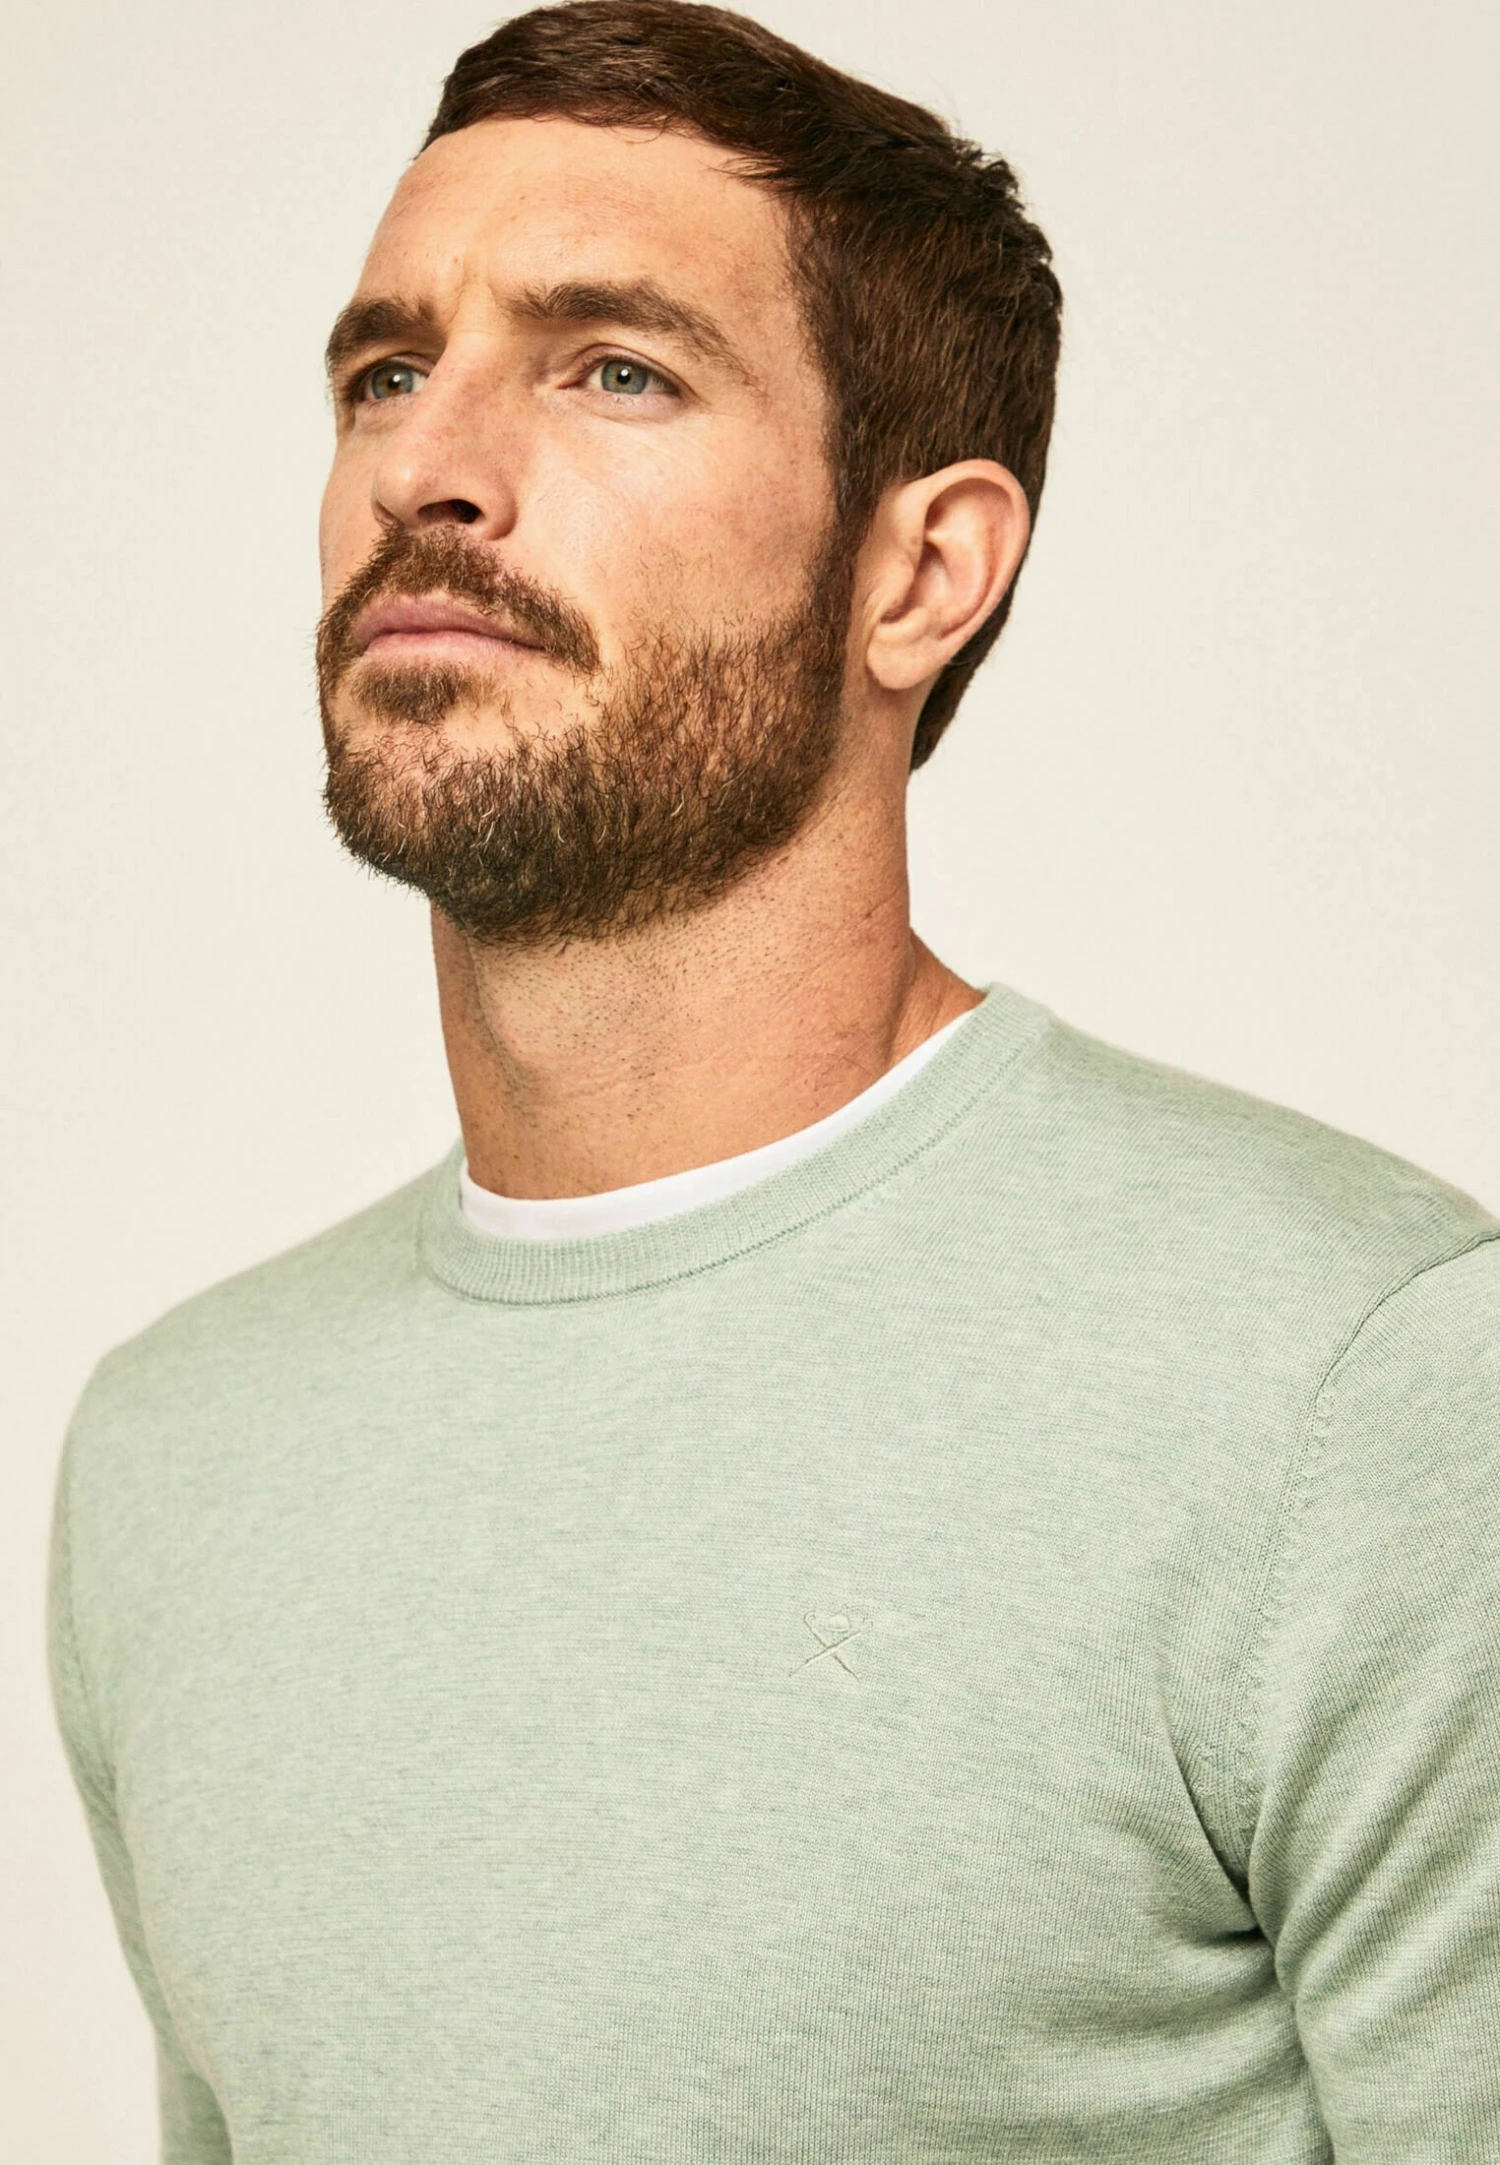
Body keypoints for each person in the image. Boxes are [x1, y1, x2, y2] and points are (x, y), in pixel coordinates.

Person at [47, 3, 1500, 2159]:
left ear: (922, 571)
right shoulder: (170, 1458)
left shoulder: (1366, 1388)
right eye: (387, 370)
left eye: (615, 368)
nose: (430, 466)